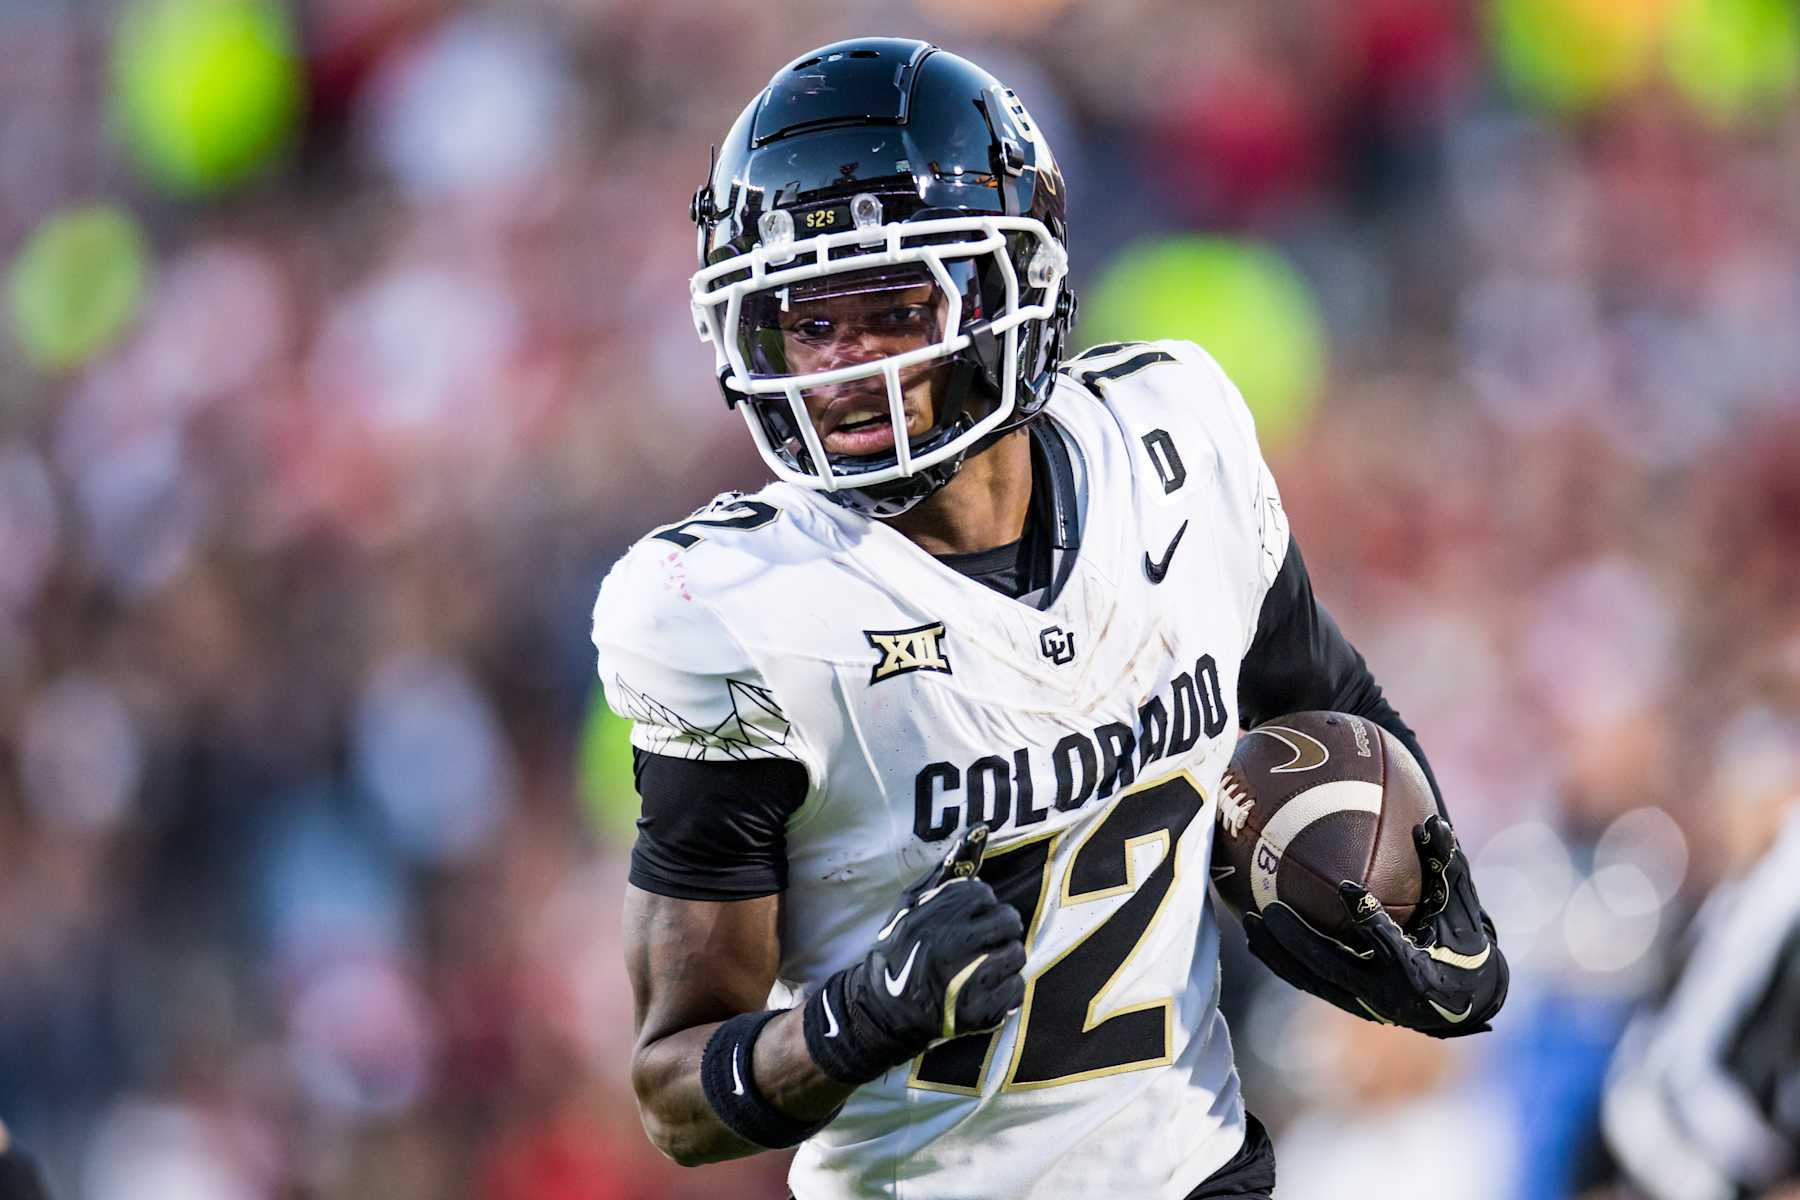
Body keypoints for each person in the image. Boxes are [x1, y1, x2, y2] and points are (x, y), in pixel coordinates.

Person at [592, 38, 1507, 1199]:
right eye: (804, 323)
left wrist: (1431, 893)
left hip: (1197, 1167)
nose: (840, 367)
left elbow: (1327, 705)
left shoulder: (1172, 444)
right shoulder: (736, 614)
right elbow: (677, 1093)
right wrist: (853, 1022)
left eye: (889, 307)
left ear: (1010, 285)